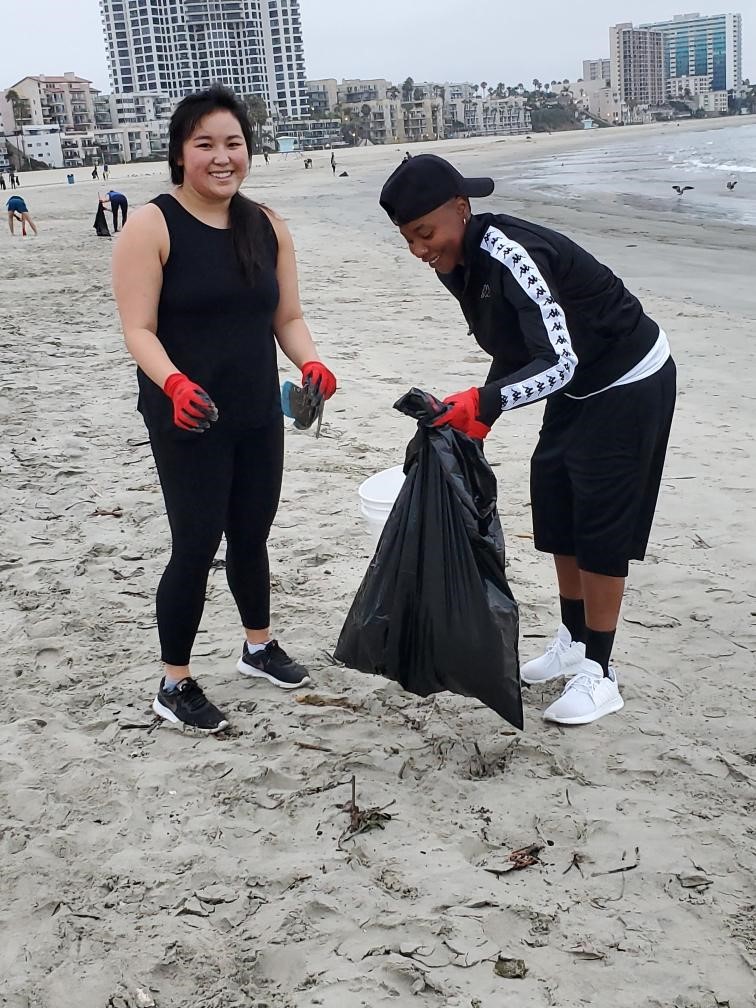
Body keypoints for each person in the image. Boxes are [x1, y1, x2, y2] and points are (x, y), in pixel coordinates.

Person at [379, 154, 676, 727]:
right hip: (580, 382)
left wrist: (485, 402)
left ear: (461, 210)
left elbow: (557, 361)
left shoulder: (511, 252)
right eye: (408, 239)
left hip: (628, 377)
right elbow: (513, 346)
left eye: (425, 233)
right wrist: (479, 415)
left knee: (600, 523)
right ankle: (572, 637)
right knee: (557, 502)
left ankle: (600, 670)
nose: (420, 249)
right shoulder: (455, 263)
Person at [112, 84, 338, 733]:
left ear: (248, 150)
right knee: (195, 542)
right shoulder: (151, 225)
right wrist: (175, 386)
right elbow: (139, 330)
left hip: (256, 411)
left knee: (252, 532)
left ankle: (257, 645)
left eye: (233, 143)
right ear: (180, 153)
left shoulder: (265, 225)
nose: (221, 156)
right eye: (205, 143)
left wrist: (310, 364)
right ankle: (174, 681)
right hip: (186, 413)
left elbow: (286, 316)